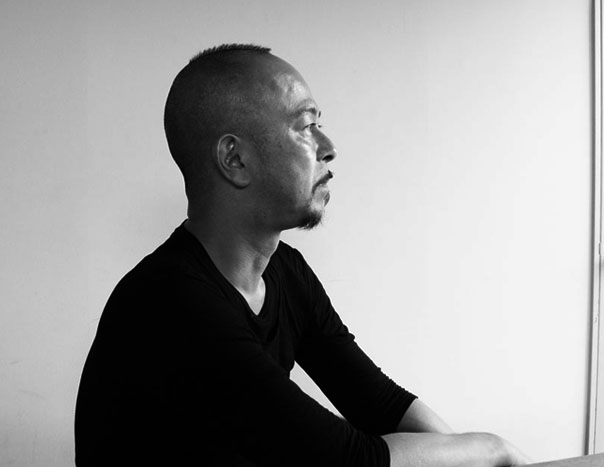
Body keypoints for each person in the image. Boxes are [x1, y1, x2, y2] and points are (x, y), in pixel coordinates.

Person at [74, 44, 529, 467]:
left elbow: (380, 405)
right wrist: (495, 449)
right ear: (235, 159)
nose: (328, 148)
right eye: (307, 126)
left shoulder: (285, 271)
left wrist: (480, 460)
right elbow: (349, 462)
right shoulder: (171, 302)